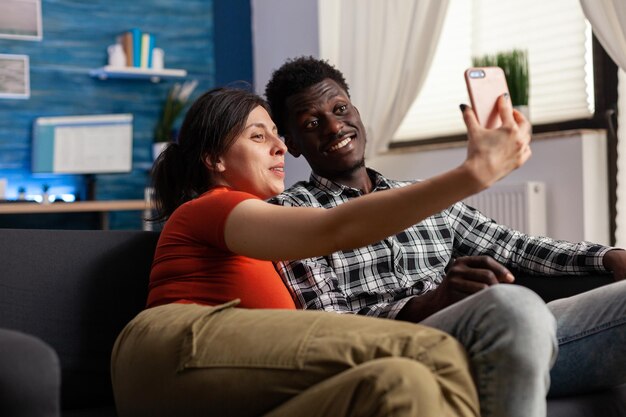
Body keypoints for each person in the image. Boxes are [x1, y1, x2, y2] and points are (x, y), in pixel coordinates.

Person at [110, 85, 532, 417]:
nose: (279, 148)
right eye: (258, 136)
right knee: (432, 351)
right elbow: (337, 227)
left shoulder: (266, 236)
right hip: (173, 350)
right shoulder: (209, 206)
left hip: (223, 387)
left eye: (277, 135)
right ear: (213, 160)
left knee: (401, 383)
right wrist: (472, 174)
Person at [265, 56, 626, 417]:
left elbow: (513, 245)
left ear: (357, 112)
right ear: (293, 143)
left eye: (340, 109)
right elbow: (331, 327)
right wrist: (431, 303)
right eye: (312, 123)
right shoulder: (291, 214)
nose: (334, 127)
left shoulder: (422, 196)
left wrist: (607, 256)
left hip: (502, 340)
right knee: (512, 305)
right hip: (412, 353)